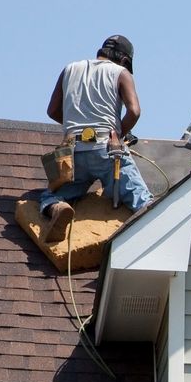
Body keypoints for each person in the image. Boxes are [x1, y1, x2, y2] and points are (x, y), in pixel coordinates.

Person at [40, 35, 151, 244]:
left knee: (51, 196)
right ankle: (149, 241)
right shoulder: (121, 73)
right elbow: (134, 111)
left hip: (72, 152)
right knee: (142, 201)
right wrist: (119, 133)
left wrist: (74, 127)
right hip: (106, 148)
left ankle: (57, 207)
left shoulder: (70, 69)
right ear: (125, 60)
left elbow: (52, 110)